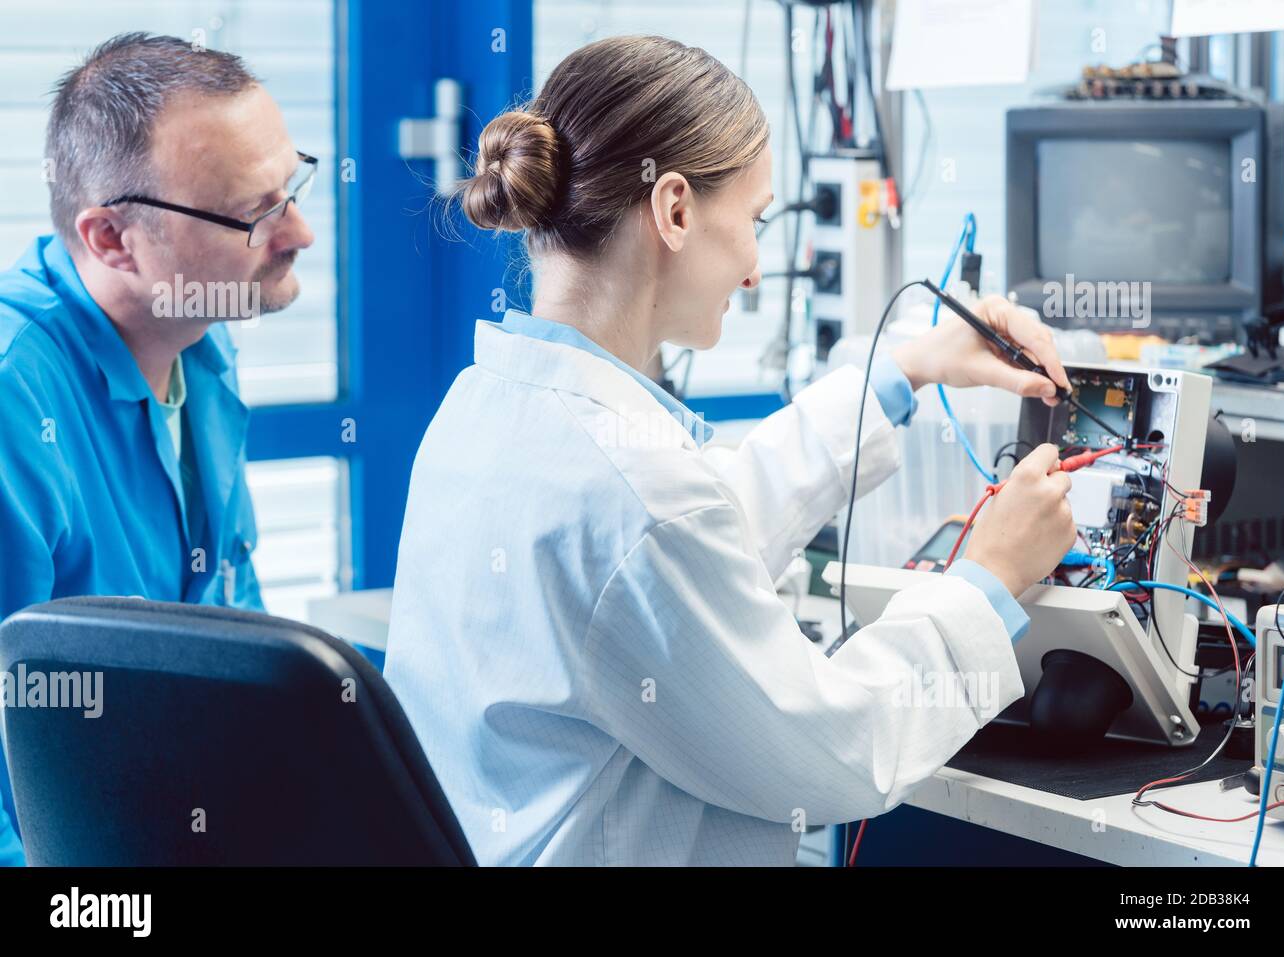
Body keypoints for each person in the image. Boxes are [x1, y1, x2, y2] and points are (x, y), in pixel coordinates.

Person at [383, 35, 1077, 866]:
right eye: (753, 220)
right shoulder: (636, 494)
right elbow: (836, 748)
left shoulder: (479, 412)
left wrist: (907, 366)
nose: (755, 269)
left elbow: (699, 531)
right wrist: (989, 577)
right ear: (674, 210)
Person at [0, 33, 315, 865]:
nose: (302, 233)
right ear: (109, 239)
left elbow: (228, 635)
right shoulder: (12, 400)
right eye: (256, 212)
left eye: (292, 188)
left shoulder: (200, 342)